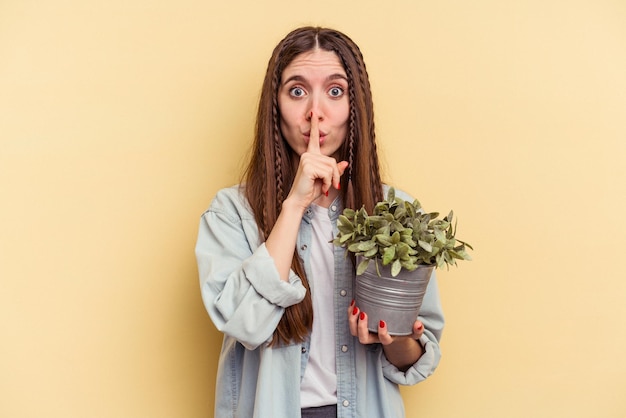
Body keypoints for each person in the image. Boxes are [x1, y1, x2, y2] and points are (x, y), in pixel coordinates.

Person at [195, 26, 444, 418]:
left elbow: (415, 353)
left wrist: (395, 338)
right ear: (275, 107)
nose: (315, 111)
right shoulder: (231, 213)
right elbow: (242, 322)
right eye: (297, 91)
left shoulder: (395, 213)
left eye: (334, 91)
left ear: (354, 106)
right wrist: (294, 205)